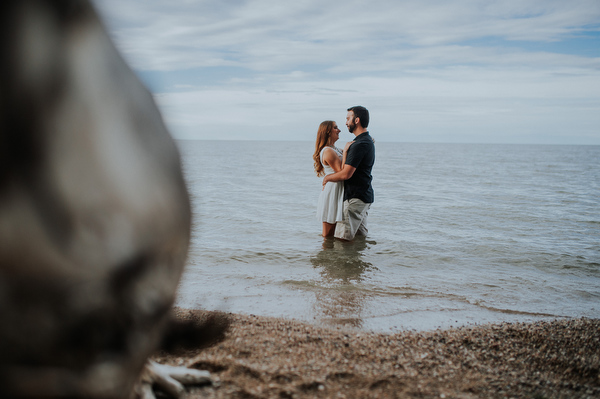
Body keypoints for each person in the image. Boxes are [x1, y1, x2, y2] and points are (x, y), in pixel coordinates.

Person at [322, 106, 375, 241]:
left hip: (354, 199)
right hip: (363, 197)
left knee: (342, 242)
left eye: (348, 118)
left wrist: (327, 177)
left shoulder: (359, 144)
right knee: (359, 241)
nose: (346, 123)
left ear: (356, 120)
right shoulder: (365, 141)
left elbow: (345, 174)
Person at [313, 121, 353, 237]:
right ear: (327, 132)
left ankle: (332, 255)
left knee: (337, 232)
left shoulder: (335, 149)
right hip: (332, 192)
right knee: (328, 235)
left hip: (339, 190)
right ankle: (324, 254)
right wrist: (345, 151)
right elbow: (341, 172)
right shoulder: (328, 151)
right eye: (336, 128)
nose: (339, 130)